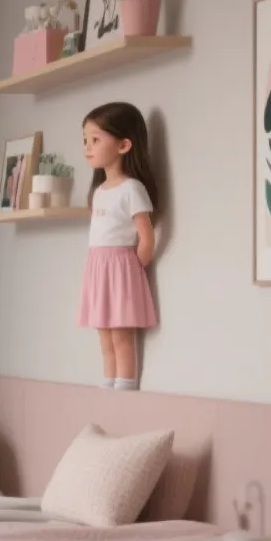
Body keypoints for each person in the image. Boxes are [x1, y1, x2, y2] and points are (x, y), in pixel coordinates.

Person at [78, 102, 159, 389]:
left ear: (124, 145)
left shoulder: (132, 189)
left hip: (121, 267)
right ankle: (108, 386)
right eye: (85, 140)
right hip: (98, 267)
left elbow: (146, 237)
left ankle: (125, 389)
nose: (88, 147)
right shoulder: (99, 192)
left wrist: (135, 267)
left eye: (95, 140)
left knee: (121, 336)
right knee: (104, 335)